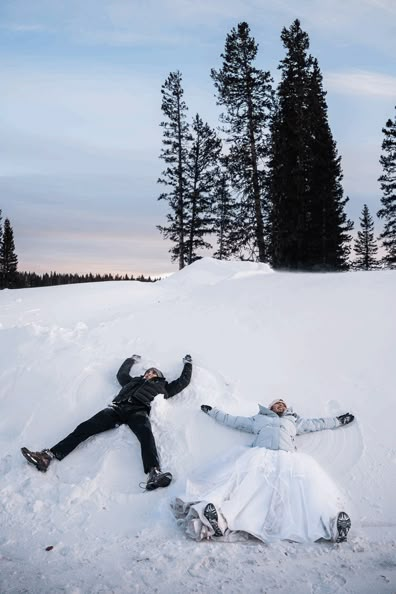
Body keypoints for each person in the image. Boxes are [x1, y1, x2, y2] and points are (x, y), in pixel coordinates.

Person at [172, 398, 354, 543]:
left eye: (283, 404)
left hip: (288, 460)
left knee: (306, 492)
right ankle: (217, 518)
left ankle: (333, 526)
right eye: (277, 404)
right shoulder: (258, 419)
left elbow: (318, 423)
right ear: (271, 407)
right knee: (239, 487)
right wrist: (213, 412)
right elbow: (233, 420)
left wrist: (338, 420)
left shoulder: (294, 421)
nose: (280, 405)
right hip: (260, 458)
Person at [21, 354, 192, 491]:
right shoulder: (133, 381)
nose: (148, 374)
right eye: (147, 372)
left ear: (159, 376)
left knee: (146, 436)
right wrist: (130, 360)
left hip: (138, 412)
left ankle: (154, 472)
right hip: (116, 409)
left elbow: (183, 382)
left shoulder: (164, 387)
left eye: (152, 372)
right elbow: (121, 374)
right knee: (84, 428)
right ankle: (47, 456)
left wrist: (188, 364)